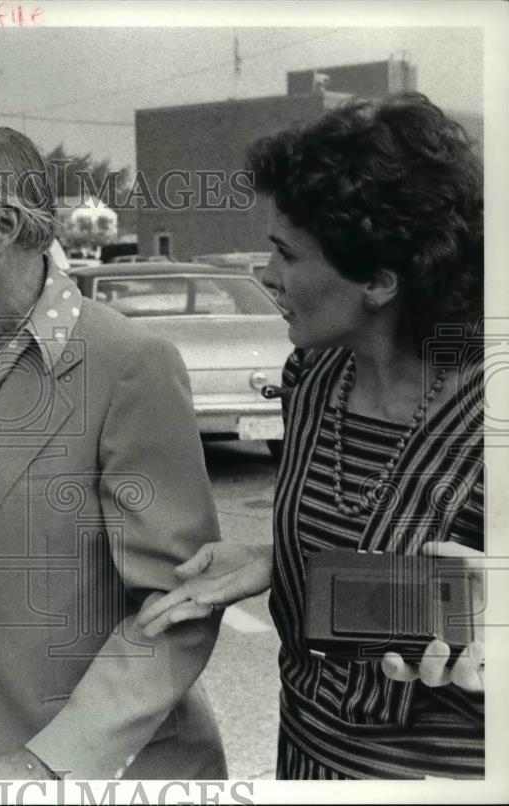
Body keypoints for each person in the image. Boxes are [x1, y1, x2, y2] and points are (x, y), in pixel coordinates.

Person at [138, 92, 485, 780]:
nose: (267, 276)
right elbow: (377, 526)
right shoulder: (313, 376)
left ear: (380, 280)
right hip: (306, 761)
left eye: (286, 254)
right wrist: (282, 555)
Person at [0, 125, 227, 780]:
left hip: (99, 771)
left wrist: (51, 763)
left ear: (2, 226)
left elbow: (178, 608)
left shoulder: (129, 363)